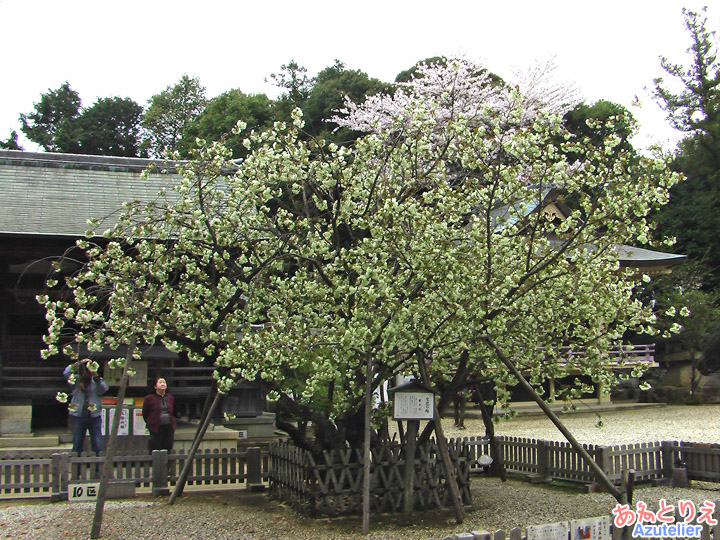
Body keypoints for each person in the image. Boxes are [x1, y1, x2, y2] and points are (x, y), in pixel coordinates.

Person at [63, 359, 109, 456]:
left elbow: (103, 389)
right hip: (79, 414)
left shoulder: (96, 382)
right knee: (77, 443)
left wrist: (95, 375)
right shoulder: (76, 380)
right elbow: (66, 373)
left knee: (97, 444)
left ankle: (97, 469)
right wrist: (78, 364)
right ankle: (77, 468)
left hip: (94, 416)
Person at [142, 378, 177, 452]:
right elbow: (145, 413)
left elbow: (174, 411)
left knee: (168, 445)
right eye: (160, 382)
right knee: (156, 446)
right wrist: (151, 422)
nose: (162, 384)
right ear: (155, 386)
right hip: (155, 426)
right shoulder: (149, 398)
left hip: (169, 426)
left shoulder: (170, 397)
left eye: (164, 382)